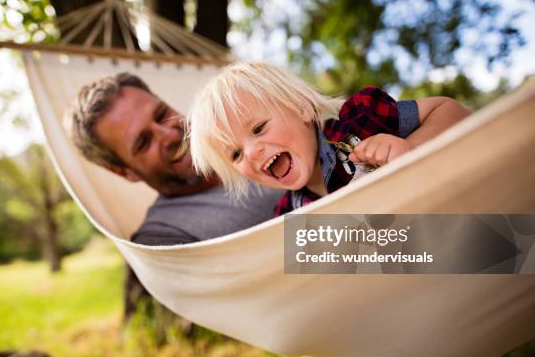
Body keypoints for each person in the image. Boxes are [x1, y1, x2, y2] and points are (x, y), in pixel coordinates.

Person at [66, 72, 283, 316]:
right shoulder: (163, 238)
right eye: (143, 142)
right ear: (125, 172)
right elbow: (263, 304)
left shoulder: (253, 137)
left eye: (161, 115)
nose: (169, 135)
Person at [188, 61, 470, 215]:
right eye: (235, 154)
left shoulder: (362, 122)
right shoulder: (289, 218)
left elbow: (452, 110)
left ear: (301, 107)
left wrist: (411, 148)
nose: (250, 153)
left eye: (259, 128)